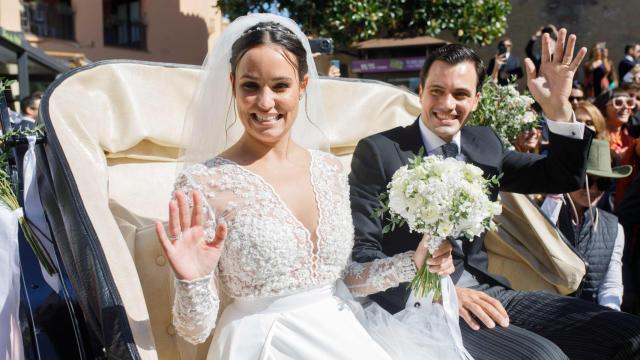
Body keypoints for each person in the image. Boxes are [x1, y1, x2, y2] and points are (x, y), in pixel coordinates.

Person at [154, 14, 458, 359]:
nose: (265, 103)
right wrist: (192, 280)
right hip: (263, 344)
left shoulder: (328, 168)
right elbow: (194, 330)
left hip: (341, 331)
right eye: (250, 86)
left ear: (302, 86)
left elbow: (343, 279)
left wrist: (413, 263)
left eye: (280, 86)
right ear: (232, 85)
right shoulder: (203, 182)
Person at [350, 30, 640, 359]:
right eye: (437, 91)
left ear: (476, 99)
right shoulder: (379, 151)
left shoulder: (484, 143)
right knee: (544, 357)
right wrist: (440, 295)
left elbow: (559, 176)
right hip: (421, 305)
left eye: (460, 94)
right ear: (421, 92)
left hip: (489, 290)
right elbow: (363, 255)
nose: (447, 104)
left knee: (630, 335)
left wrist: (558, 109)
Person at [540, 139, 631, 311]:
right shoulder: (548, 210)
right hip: (544, 312)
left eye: (603, 183)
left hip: (588, 319)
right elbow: (540, 234)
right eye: (585, 181)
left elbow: (611, 285)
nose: (594, 189)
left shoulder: (614, 228)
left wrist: (610, 317)